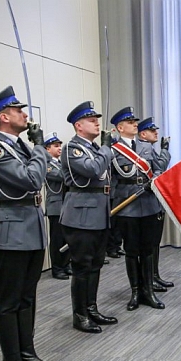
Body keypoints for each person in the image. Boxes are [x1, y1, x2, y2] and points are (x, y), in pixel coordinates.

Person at [0, 86, 60, 361]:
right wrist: (39, 147)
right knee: (9, 302)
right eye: (18, 110)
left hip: (31, 228)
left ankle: (28, 354)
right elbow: (31, 179)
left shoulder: (21, 146)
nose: (25, 114)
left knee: (27, 298)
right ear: (4, 116)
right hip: (10, 230)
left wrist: (34, 148)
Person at [61, 101, 117, 333]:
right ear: (78, 125)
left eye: (96, 119)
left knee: (95, 265)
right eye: (91, 120)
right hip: (81, 215)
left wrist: (102, 149)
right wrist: (106, 148)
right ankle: (80, 314)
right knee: (82, 266)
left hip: (99, 213)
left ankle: (91, 308)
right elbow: (93, 170)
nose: (97, 123)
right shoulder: (72, 148)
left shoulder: (94, 149)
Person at [110, 107, 165, 310]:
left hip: (148, 203)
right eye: (130, 122)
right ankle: (135, 292)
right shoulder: (113, 149)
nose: (135, 124)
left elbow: (158, 166)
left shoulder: (146, 147)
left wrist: (156, 177)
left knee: (148, 250)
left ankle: (148, 291)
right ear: (120, 127)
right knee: (132, 251)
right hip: (127, 205)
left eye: (135, 121)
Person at [137, 117, 173, 289]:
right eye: (152, 131)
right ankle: (150, 278)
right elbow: (160, 167)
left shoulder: (149, 148)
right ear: (143, 134)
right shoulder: (144, 148)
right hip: (146, 201)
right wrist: (165, 151)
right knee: (150, 244)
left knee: (154, 243)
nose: (156, 133)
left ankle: (155, 275)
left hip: (154, 201)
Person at [43, 132, 71, 280]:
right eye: (55, 146)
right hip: (56, 206)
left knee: (67, 238)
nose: (60, 148)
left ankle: (66, 264)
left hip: (65, 205)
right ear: (47, 149)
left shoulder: (60, 163)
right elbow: (63, 176)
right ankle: (57, 268)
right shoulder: (46, 165)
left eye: (60, 145)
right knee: (57, 239)